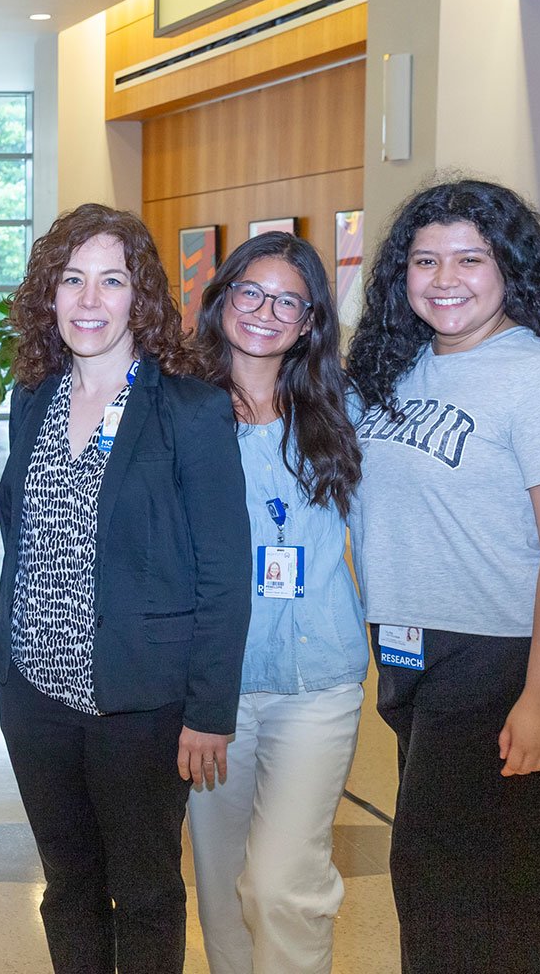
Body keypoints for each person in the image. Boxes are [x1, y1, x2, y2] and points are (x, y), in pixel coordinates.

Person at [345, 179, 540, 974]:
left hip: (496, 655)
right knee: (471, 874)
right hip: (405, 648)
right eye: (425, 260)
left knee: (445, 870)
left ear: (511, 268)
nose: (445, 279)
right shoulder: (391, 371)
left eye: (470, 258)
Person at [0, 203, 250, 973]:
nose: (91, 300)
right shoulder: (33, 401)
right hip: (34, 692)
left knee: (143, 891)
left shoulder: (191, 411)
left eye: (112, 280)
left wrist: (210, 710)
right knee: (67, 883)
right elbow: (25, 533)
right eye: (73, 280)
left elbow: (224, 573)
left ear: (141, 298)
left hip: (141, 703)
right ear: (50, 296)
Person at [184, 232, 366, 974]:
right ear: (223, 297)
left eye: (289, 300)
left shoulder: (340, 408)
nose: (266, 311)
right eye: (251, 292)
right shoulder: (178, 408)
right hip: (212, 693)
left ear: (310, 320)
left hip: (317, 684)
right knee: (225, 890)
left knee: (282, 886)